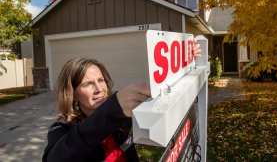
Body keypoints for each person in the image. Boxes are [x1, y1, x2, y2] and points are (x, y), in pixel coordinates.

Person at [42, 43, 202, 162]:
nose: (99, 89)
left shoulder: (120, 109)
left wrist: (184, 61)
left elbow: (165, 92)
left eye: (101, 80)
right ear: (73, 94)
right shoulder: (61, 129)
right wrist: (111, 111)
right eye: (87, 84)